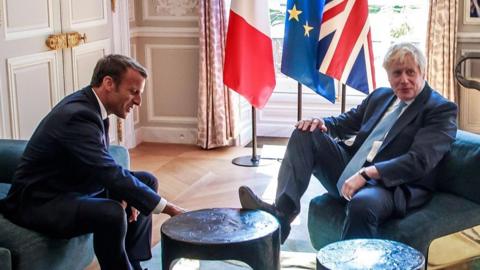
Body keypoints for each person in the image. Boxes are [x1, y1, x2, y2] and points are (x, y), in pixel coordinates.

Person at [239, 42, 458, 243]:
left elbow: (419, 161)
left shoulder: (440, 109)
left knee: (362, 204)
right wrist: (320, 122)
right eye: (397, 73)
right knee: (304, 132)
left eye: (411, 72)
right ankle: (283, 215)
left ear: (422, 72)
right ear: (388, 77)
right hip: (351, 167)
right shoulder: (381, 96)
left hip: (390, 184)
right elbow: (345, 123)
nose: (404, 79)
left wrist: (367, 174)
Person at [0, 55, 185, 270]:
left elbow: (99, 164)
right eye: (133, 92)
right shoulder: (77, 115)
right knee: (111, 213)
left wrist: (125, 193)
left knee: (147, 181)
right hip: (40, 203)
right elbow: (106, 170)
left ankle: (134, 263)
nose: (138, 101)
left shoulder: (91, 105)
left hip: (71, 188)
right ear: (108, 83)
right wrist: (168, 208)